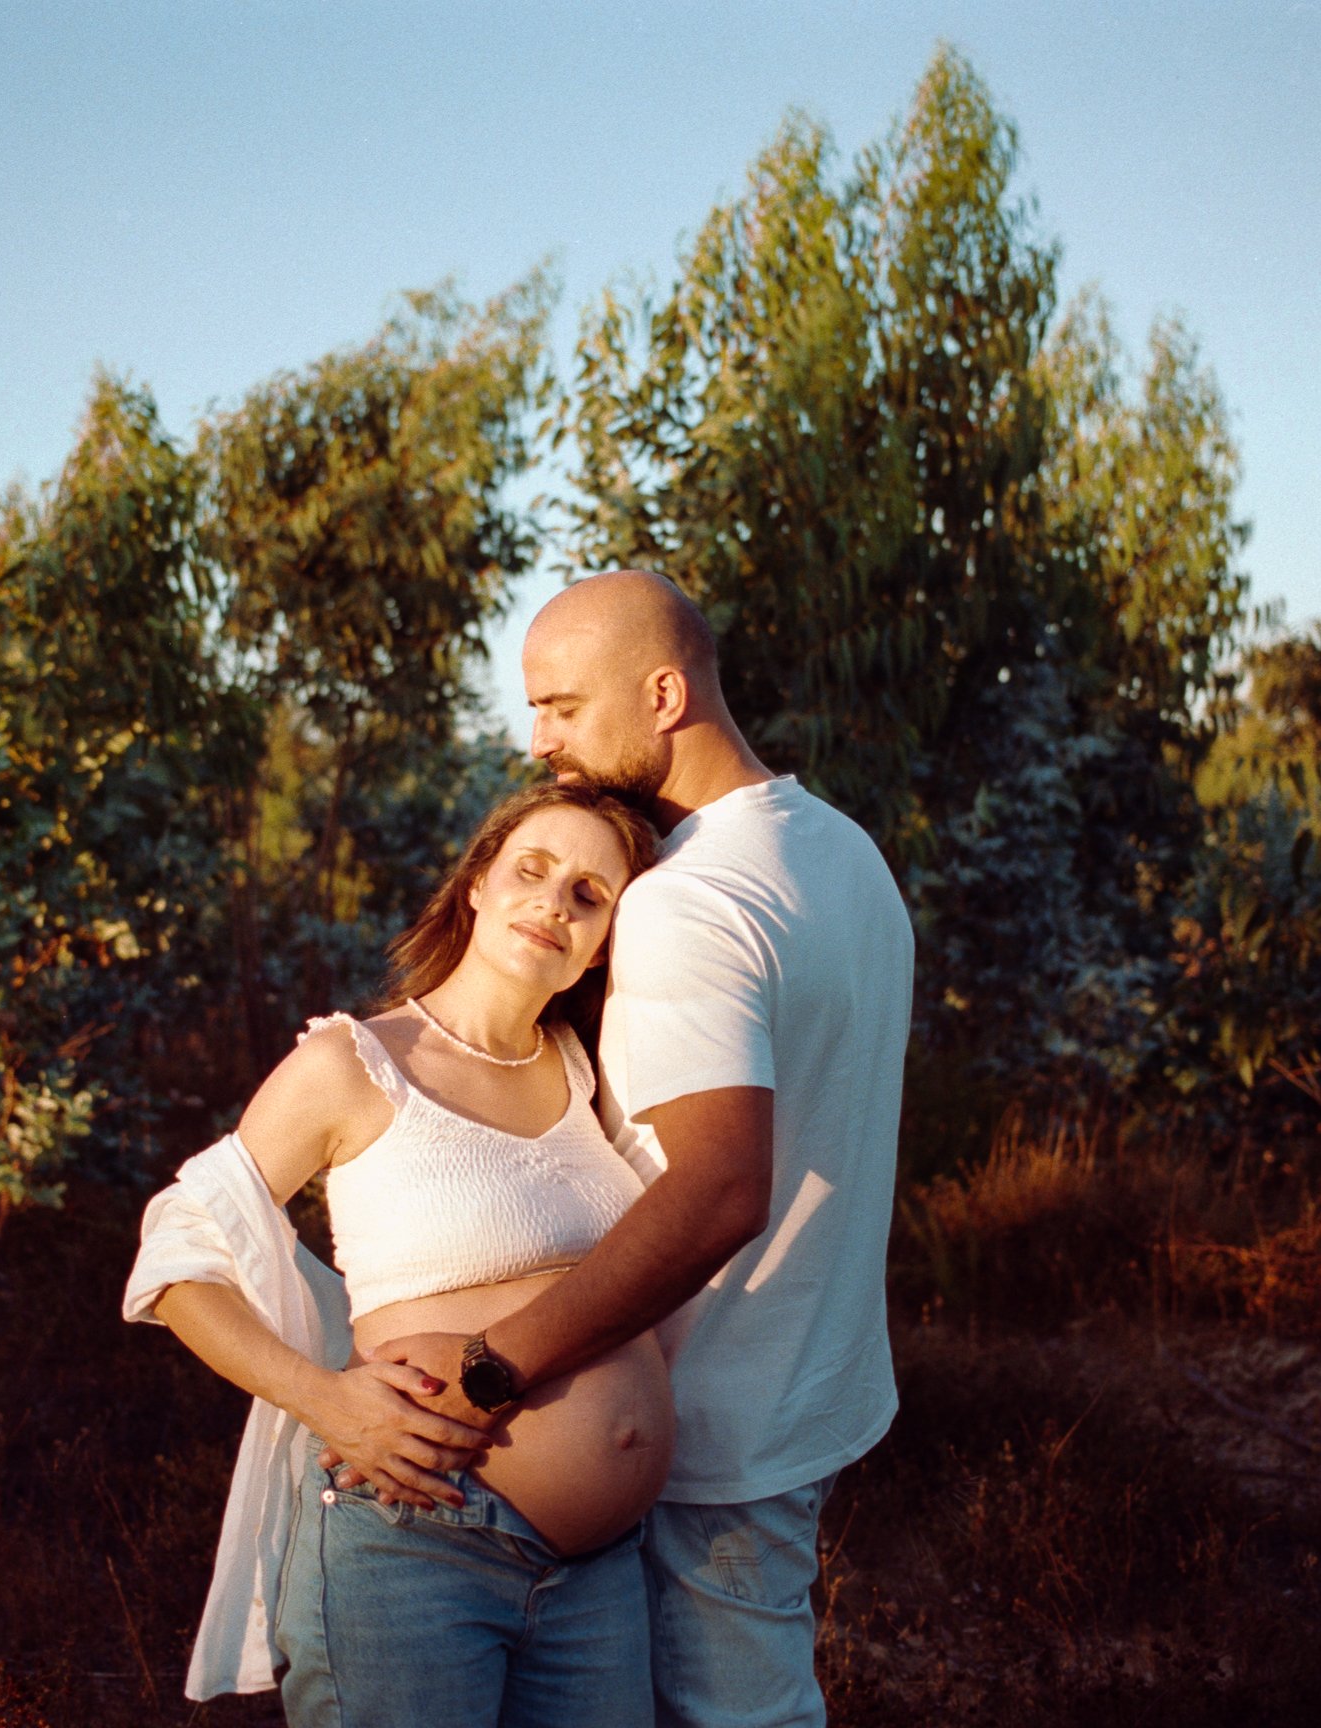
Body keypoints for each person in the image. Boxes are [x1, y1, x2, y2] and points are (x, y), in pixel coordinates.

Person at [366, 569, 915, 1728]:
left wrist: (491, 1370)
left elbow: (719, 1192)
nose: (539, 740)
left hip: (714, 1423)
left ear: (663, 693)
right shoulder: (842, 850)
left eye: (563, 706)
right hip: (806, 1385)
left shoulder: (687, 901)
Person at [122, 780, 670, 1726]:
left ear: (606, 937)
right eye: (531, 872)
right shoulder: (358, 1063)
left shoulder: (590, 1073)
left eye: (590, 894)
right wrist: (322, 1396)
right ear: (476, 887)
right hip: (418, 1545)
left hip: (595, 1580)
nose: (553, 903)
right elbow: (177, 1255)